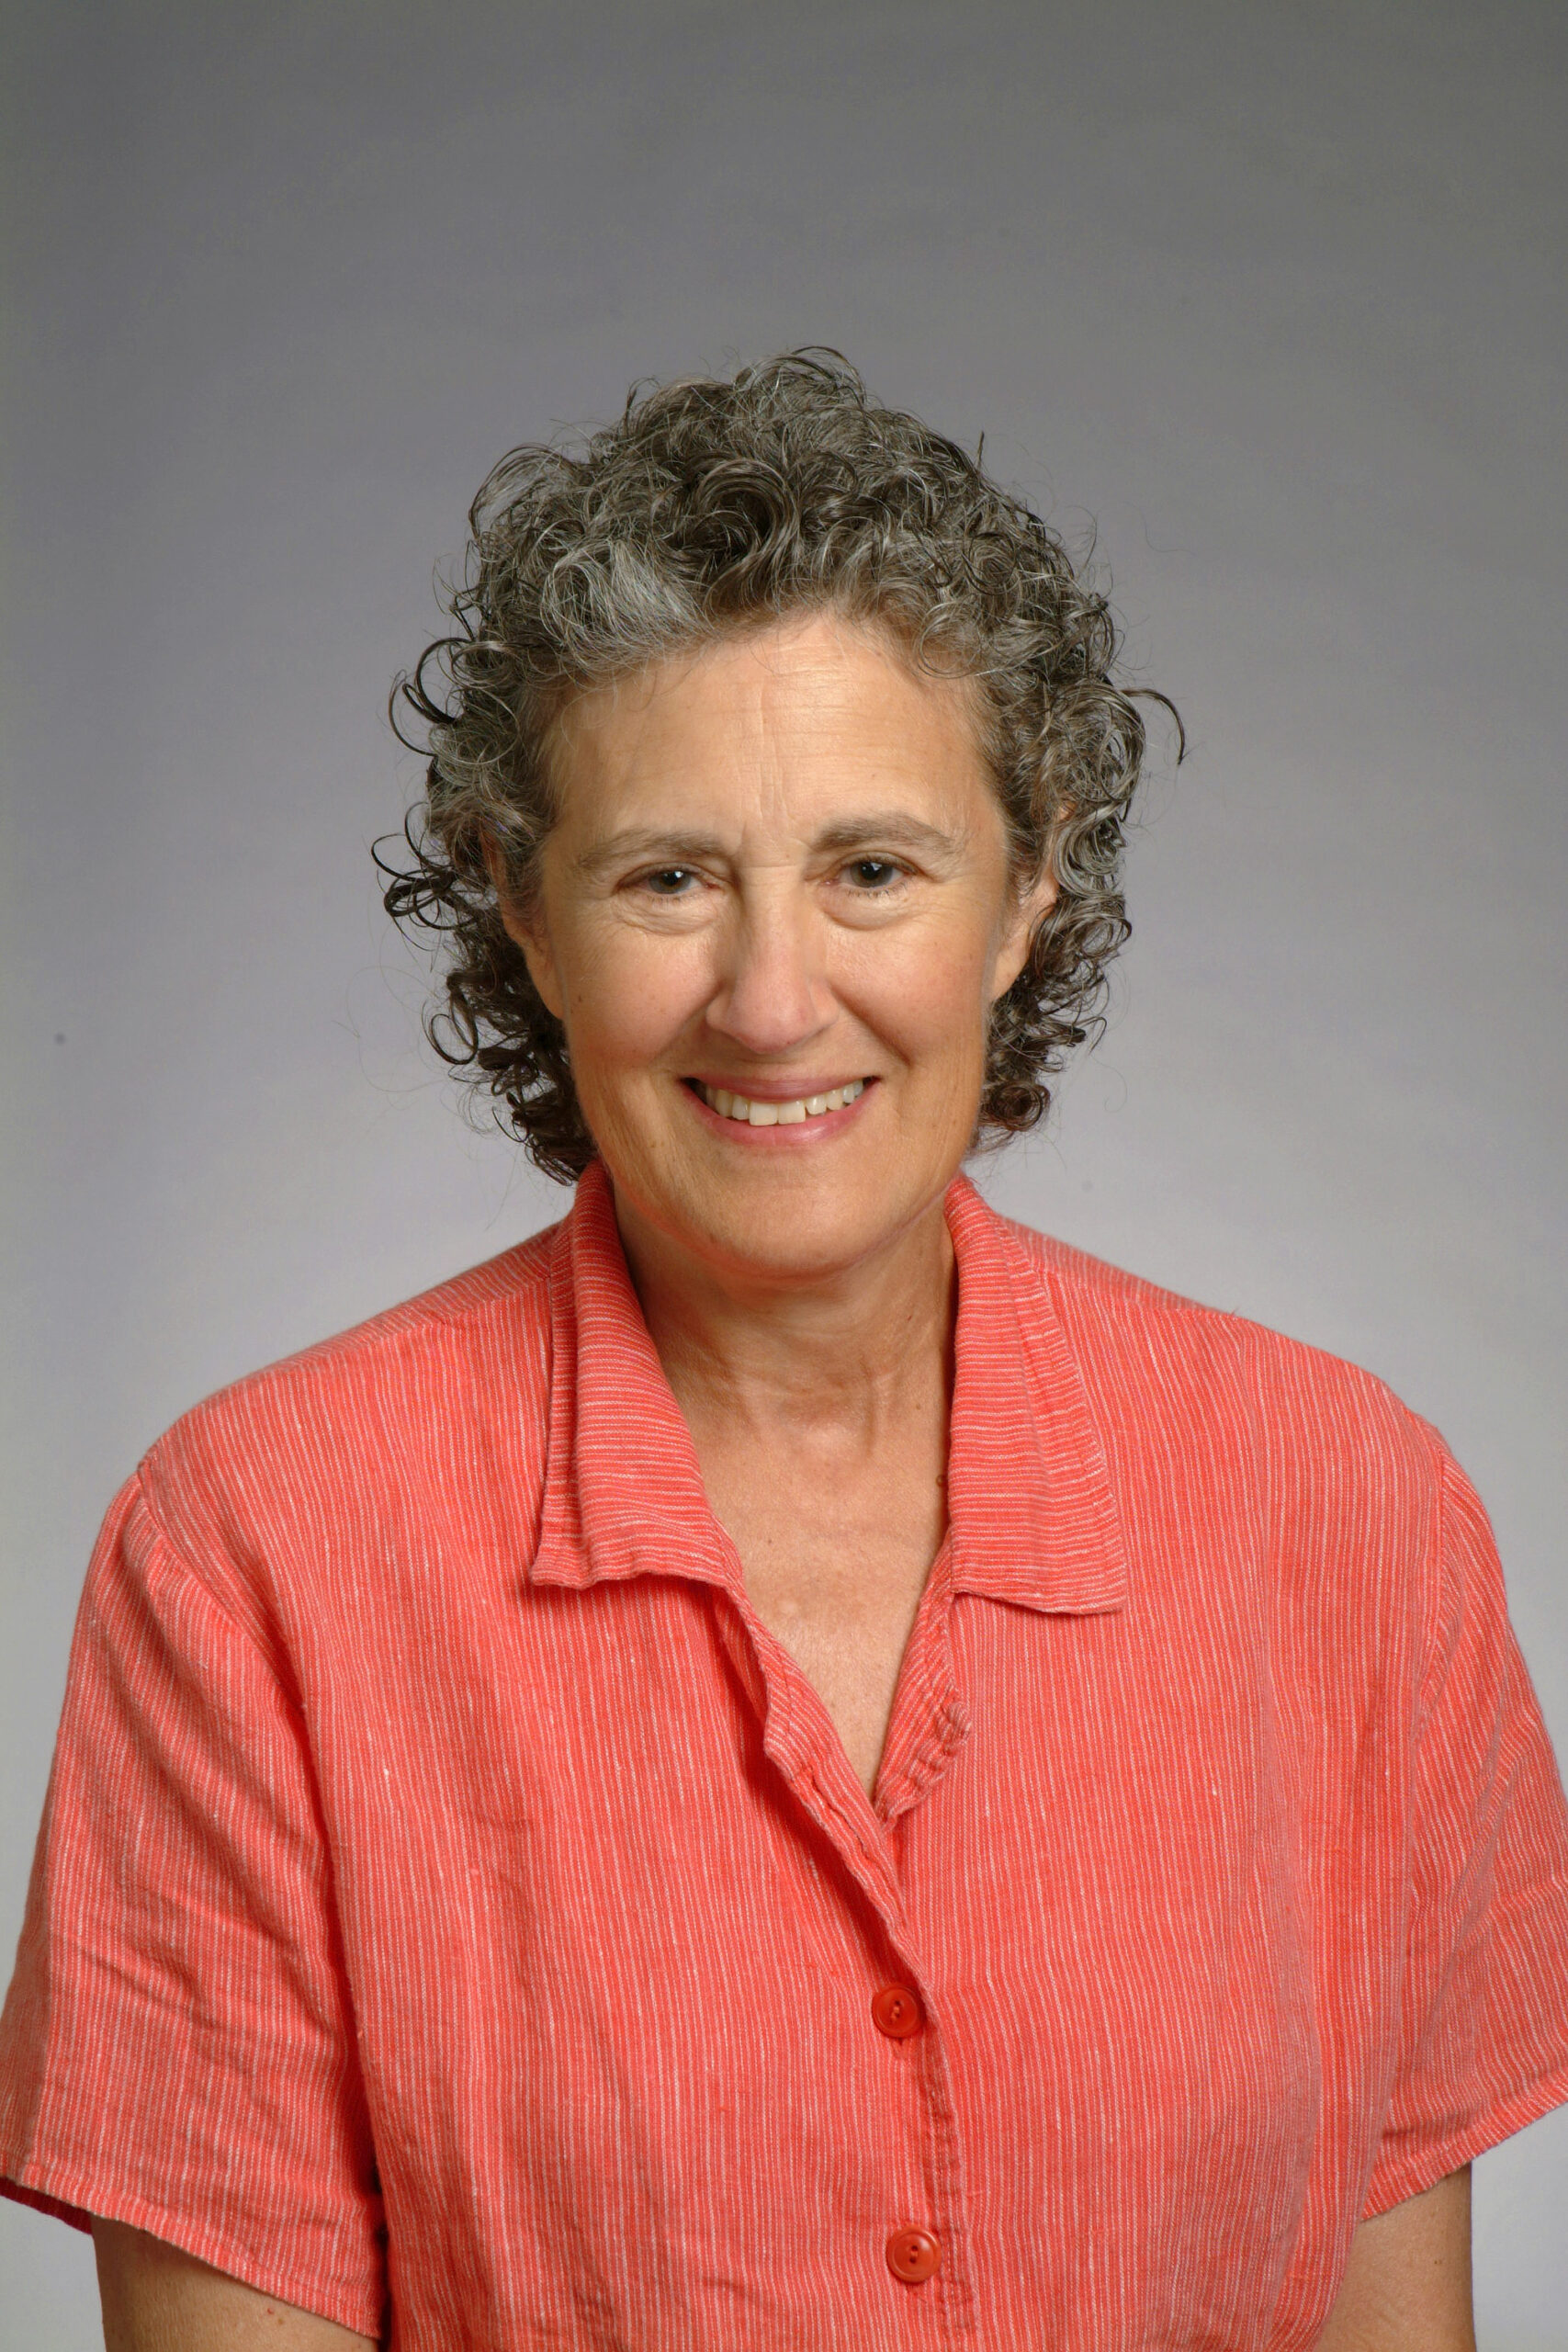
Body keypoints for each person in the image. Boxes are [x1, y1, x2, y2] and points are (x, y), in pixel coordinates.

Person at [3, 352, 1566, 2351]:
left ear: (1029, 884)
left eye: (871, 869)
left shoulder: (1348, 1508)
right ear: (521, 906)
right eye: (668, 877)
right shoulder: (255, 1552)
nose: (767, 999)